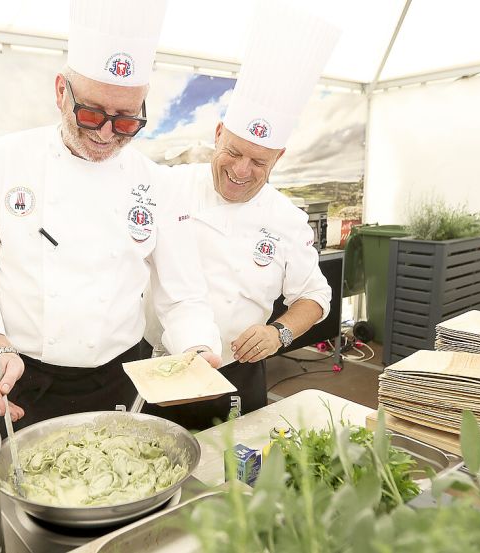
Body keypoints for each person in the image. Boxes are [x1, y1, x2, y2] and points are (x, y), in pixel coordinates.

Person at [0, 0, 220, 436]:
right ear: (60, 92)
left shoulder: (156, 183)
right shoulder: (4, 160)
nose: (106, 134)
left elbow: (183, 296)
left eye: (126, 121)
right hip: (22, 376)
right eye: (91, 114)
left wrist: (197, 348)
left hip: (122, 379)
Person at [143, 2, 340, 429]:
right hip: (160, 366)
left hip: (239, 370)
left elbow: (315, 297)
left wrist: (278, 333)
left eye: (259, 162)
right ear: (218, 134)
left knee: (239, 465)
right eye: (233, 152)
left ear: (279, 158)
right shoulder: (167, 187)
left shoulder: (286, 218)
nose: (241, 170)